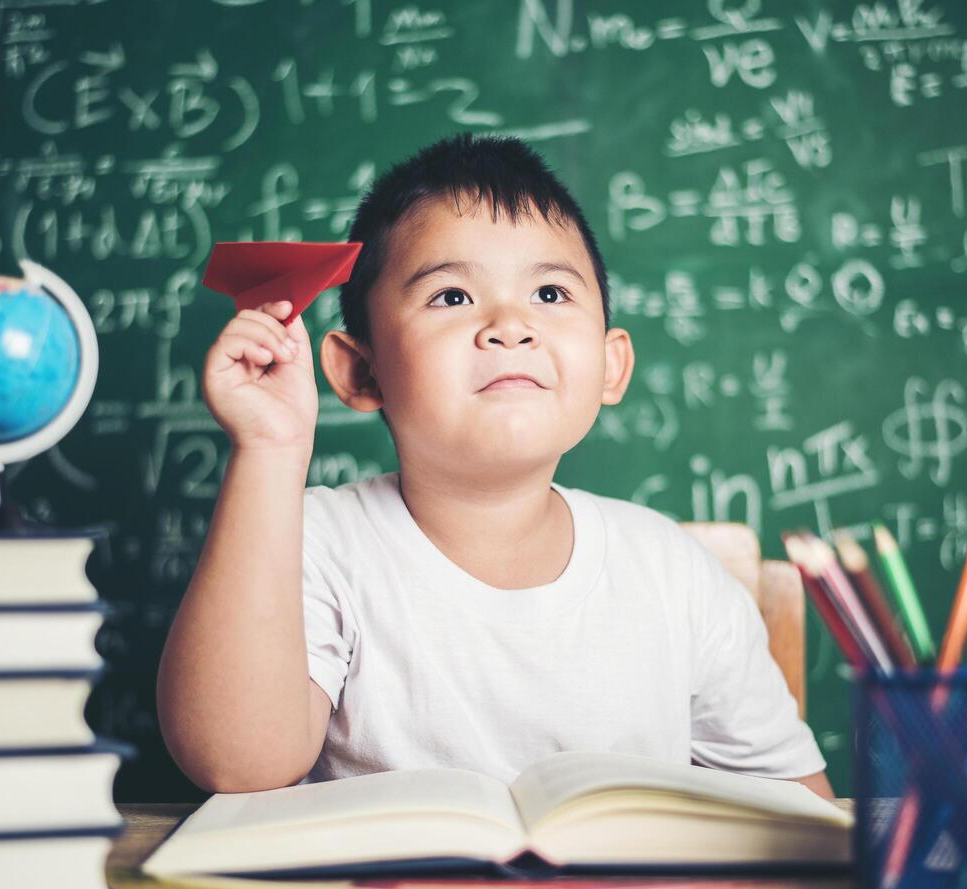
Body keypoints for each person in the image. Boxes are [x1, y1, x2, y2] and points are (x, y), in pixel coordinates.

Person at [157, 133, 833, 800]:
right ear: (359, 370)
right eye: (451, 296)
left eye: (549, 294)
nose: (510, 326)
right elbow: (235, 762)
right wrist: (271, 451)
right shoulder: (310, 542)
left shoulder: (675, 573)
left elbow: (798, 807)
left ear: (610, 363)